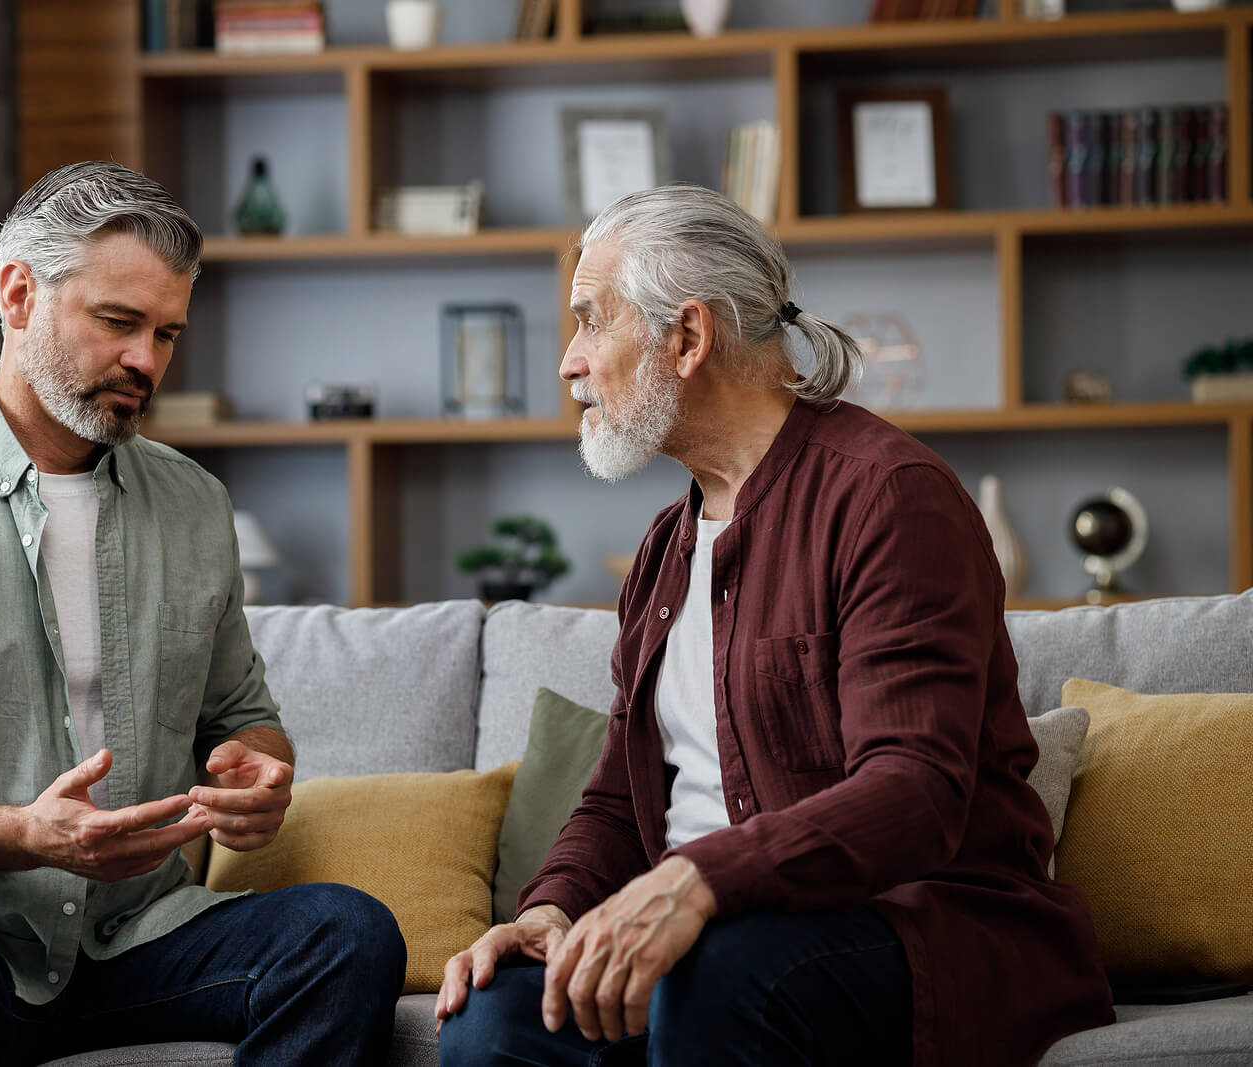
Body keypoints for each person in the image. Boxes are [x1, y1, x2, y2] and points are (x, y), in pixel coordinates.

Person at [0, 160, 405, 1067]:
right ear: (18, 295)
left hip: (135, 940)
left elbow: (243, 717)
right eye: (119, 322)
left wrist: (262, 774)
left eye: (167, 332)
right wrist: (18, 834)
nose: (148, 361)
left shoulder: (195, 505)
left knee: (348, 933)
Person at [434, 185, 1115, 1067]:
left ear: (687, 337)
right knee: (493, 1015)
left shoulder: (888, 497)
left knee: (714, 976)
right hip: (711, 947)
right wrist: (548, 912)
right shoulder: (662, 551)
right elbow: (616, 796)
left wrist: (696, 881)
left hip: (910, 929)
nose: (569, 362)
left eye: (591, 321)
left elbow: (914, 789)